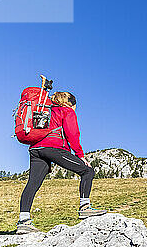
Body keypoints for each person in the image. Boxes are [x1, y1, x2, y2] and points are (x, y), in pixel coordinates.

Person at [17, 90, 107, 234]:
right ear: (71, 103)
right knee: (87, 171)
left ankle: (23, 221)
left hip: (35, 149)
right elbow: (73, 134)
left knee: (32, 184)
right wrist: (81, 156)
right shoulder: (67, 111)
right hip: (53, 147)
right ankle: (85, 208)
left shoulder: (45, 109)